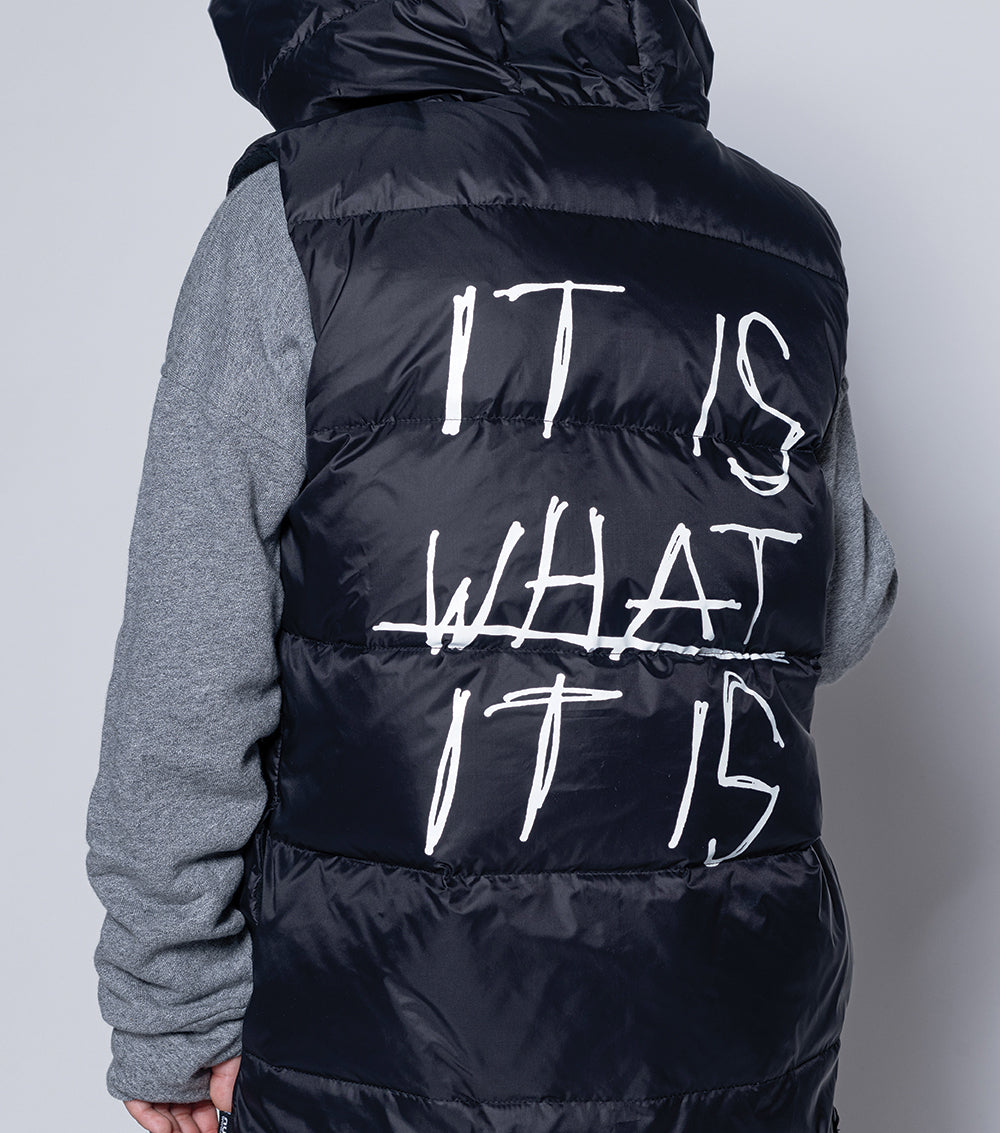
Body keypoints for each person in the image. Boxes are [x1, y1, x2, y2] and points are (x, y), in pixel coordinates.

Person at [86, 2, 898, 1130]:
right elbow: (841, 609)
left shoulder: (302, 219)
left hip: (388, 1038)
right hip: (733, 1036)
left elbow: (187, 667)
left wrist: (174, 1013)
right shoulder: (780, 240)